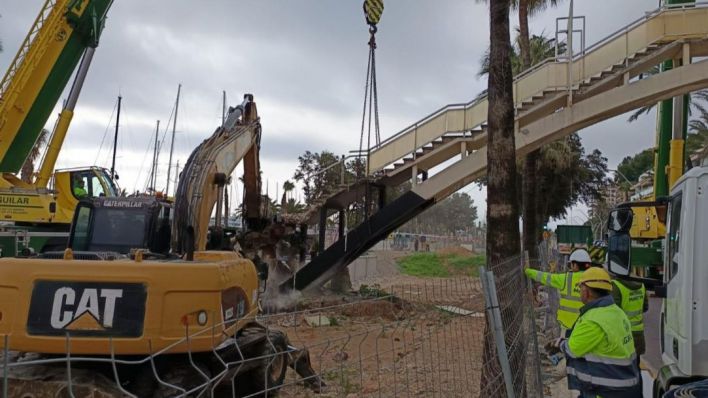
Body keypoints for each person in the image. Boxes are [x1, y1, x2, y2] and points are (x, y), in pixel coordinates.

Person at [556, 267, 641, 397]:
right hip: (627, 385)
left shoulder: (593, 319)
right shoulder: (616, 312)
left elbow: (573, 349)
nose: (579, 291)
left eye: (580, 288)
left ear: (586, 291)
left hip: (607, 391)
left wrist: (560, 344)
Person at [524, 248, 594, 335]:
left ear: (575, 265)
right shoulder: (595, 280)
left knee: (565, 347)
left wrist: (528, 271)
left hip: (567, 326)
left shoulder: (566, 278)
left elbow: (544, 277)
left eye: (571, 264)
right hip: (587, 327)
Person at [612, 278, 648, 360]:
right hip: (638, 333)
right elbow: (645, 307)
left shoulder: (616, 285)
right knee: (636, 364)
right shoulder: (641, 285)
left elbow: (613, 312)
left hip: (623, 334)